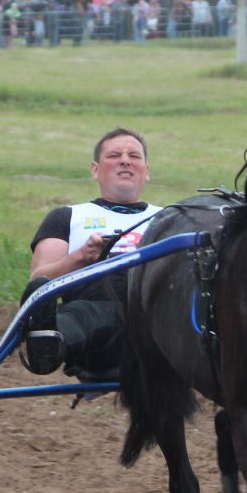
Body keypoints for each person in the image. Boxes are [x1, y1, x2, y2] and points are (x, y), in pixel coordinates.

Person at [19, 128, 162, 377]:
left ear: (146, 171)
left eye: (134, 156)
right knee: (82, 316)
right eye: (115, 155)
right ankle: (46, 342)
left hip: (159, 311)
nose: (125, 160)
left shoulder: (170, 218)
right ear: (95, 170)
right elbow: (39, 280)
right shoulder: (68, 216)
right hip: (97, 308)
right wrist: (81, 257)